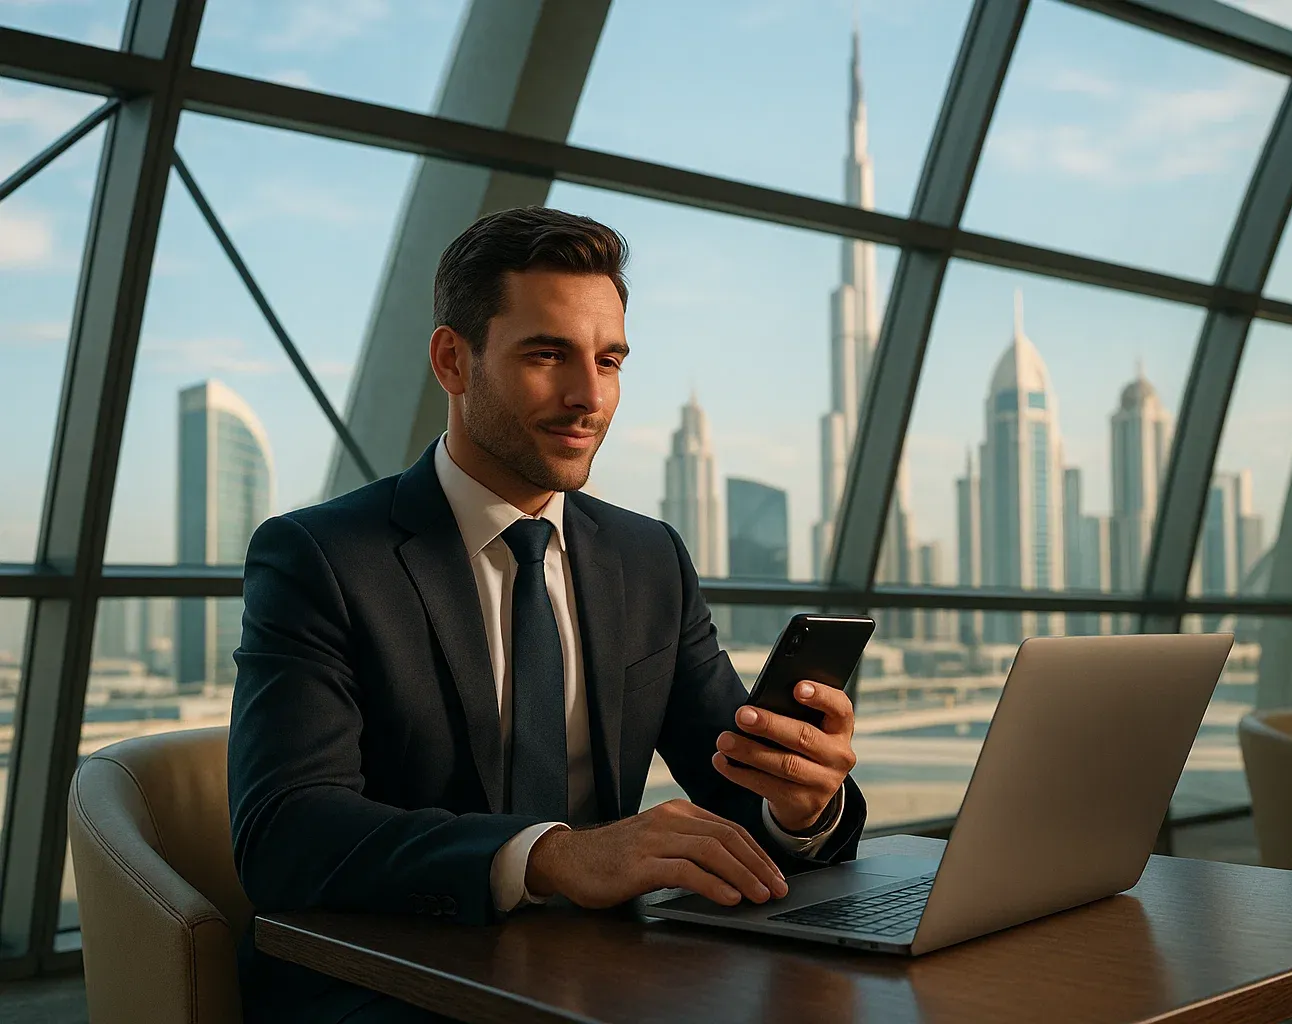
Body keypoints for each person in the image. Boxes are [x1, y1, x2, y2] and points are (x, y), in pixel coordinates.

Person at [228, 207, 866, 1024]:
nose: (588, 397)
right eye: (547, 355)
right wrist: (555, 858)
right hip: (394, 984)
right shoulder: (319, 557)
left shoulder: (649, 559)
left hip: (607, 978)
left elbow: (732, 784)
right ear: (453, 361)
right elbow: (285, 831)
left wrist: (798, 806)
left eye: (609, 360)